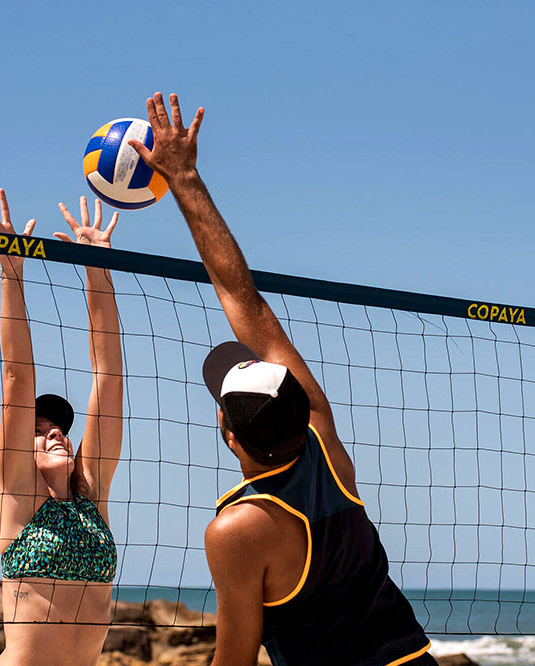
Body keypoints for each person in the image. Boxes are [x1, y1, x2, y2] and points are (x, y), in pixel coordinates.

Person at [128, 93, 435, 666]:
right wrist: (187, 177)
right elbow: (244, 301)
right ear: (301, 408)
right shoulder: (327, 451)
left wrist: (183, 178)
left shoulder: (237, 531)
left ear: (230, 433)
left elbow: (235, 661)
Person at [0, 190, 123, 666]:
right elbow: (17, 373)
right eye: (39, 430)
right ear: (10, 456)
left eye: (58, 427)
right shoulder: (21, 503)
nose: (55, 432)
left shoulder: (90, 498)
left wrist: (97, 270)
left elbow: (109, 377)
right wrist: (11, 271)